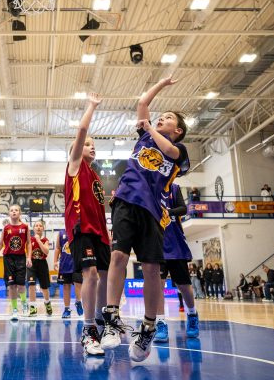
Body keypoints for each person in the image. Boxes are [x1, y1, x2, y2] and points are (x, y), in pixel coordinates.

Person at [101, 76, 190, 363]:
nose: (160, 118)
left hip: (154, 210)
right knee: (118, 256)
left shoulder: (179, 151)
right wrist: (161, 83)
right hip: (126, 200)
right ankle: (112, 318)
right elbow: (142, 102)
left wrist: (151, 126)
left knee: (151, 269)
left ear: (177, 130)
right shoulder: (145, 137)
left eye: (168, 118)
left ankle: (148, 327)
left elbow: (170, 152)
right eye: (159, 116)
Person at [64, 92, 110, 357]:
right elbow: (82, 130)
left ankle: (102, 323)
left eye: (93, 145)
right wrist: (92, 106)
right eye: (87, 144)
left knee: (104, 277)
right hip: (81, 228)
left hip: (100, 233)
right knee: (90, 274)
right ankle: (88, 329)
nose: (91, 147)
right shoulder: (75, 166)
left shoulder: (95, 176)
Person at [154, 183, 200, 343]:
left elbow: (183, 208)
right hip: (157, 244)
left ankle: (192, 314)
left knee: (184, 286)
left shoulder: (173, 188)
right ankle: (160, 322)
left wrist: (168, 212)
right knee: (158, 286)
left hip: (175, 245)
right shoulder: (149, 187)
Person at [0, 204, 31, 322]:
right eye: (12, 210)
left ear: (20, 213)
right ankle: (14, 310)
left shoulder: (25, 227)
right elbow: (0, 244)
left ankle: (24, 304)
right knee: (12, 285)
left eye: (16, 210)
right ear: (9, 213)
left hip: (21, 258)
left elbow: (28, 243)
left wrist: (29, 257)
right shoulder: (6, 228)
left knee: (21, 285)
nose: (14, 212)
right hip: (8, 258)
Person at [53, 228, 83, 319]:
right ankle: (66, 309)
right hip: (65, 264)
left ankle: (78, 301)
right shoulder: (61, 232)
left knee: (78, 283)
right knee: (66, 286)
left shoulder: (79, 230)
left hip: (77, 262)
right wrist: (55, 261)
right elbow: (57, 248)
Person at [27, 220, 53, 316]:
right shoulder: (30, 239)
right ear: (33, 228)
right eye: (36, 226)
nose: (38, 227)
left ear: (43, 228)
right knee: (31, 285)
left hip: (42, 264)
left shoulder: (45, 240)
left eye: (40, 226)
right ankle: (33, 307)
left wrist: (38, 240)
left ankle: (47, 303)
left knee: (44, 287)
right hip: (32, 264)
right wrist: (28, 259)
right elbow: (28, 251)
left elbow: (46, 251)